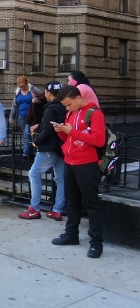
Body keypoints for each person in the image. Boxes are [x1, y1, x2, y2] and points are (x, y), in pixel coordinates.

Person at [51, 85, 106, 258]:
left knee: (91, 204)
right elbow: (69, 138)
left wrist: (71, 131)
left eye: (68, 105)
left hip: (87, 164)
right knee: (72, 201)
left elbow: (98, 140)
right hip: (70, 162)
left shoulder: (94, 113)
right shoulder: (71, 113)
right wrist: (62, 131)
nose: (67, 108)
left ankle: (96, 243)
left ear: (77, 98)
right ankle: (71, 234)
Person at [18, 82, 66, 221]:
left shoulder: (50, 109)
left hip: (48, 148)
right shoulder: (65, 107)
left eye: (45, 92)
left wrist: (36, 142)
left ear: (48, 93)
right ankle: (57, 210)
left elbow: (48, 131)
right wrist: (40, 124)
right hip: (61, 148)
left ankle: (34, 209)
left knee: (34, 174)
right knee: (60, 179)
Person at [9, 76, 43, 160]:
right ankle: (31, 152)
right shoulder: (17, 92)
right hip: (21, 116)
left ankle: (25, 154)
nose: (21, 88)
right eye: (20, 86)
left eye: (23, 86)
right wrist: (11, 116)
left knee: (26, 134)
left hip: (31, 116)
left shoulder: (33, 90)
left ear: (27, 83)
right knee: (29, 135)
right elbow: (14, 105)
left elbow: (43, 98)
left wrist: (37, 101)